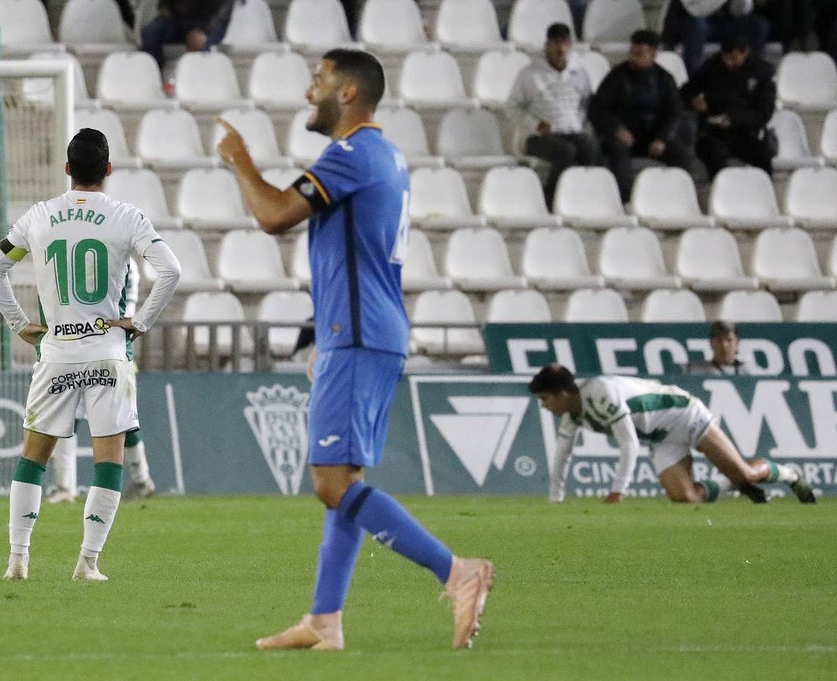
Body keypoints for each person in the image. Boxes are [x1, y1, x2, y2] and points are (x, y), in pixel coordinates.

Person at [216, 48, 493, 651]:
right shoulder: (384, 155)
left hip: (360, 333)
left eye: (318, 80)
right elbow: (351, 249)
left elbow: (273, 215)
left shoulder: (352, 154)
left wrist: (239, 163)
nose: (308, 91)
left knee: (331, 481)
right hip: (361, 329)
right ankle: (324, 620)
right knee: (343, 477)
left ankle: (456, 571)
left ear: (346, 93)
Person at [0, 128, 181, 582]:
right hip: (108, 352)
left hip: (56, 352)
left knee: (34, 458)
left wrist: (18, 324)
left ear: (67, 169)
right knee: (109, 461)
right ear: (108, 170)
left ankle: (18, 560)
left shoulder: (39, 216)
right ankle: (87, 563)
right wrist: (140, 322)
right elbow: (171, 270)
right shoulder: (127, 217)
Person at [528, 363, 816, 505]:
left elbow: (628, 444)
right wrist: (556, 500)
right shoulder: (571, 414)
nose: (544, 406)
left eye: (545, 399)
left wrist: (618, 491)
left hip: (685, 415)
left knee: (747, 472)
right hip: (661, 436)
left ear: (563, 392)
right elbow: (562, 456)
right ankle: (731, 483)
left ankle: (789, 475)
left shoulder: (602, 393)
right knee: (686, 497)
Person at [48, 260, 158, 504]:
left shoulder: (101, 257)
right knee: (122, 420)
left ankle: (65, 487)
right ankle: (142, 479)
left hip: (90, 346)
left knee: (71, 415)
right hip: (119, 349)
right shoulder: (125, 261)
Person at [589, 29, 694, 203]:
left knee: (681, 155)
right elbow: (598, 110)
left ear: (652, 55)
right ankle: (623, 201)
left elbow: (674, 113)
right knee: (617, 152)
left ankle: (678, 200)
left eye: (639, 54)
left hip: (653, 138)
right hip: (624, 136)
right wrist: (616, 129)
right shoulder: (617, 76)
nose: (633, 57)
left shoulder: (664, 79)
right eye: (632, 52)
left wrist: (662, 138)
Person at [506, 22, 597, 207]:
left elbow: (585, 104)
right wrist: (536, 124)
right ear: (547, 45)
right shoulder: (529, 74)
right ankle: (551, 198)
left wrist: (577, 123)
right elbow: (512, 107)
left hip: (572, 131)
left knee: (591, 147)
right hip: (538, 136)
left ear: (570, 46)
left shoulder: (580, 74)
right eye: (556, 43)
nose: (560, 49)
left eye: (564, 43)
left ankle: (585, 197)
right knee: (565, 152)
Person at [680, 33, 777, 179]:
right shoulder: (712, 67)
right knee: (715, 155)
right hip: (713, 132)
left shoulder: (762, 73)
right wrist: (693, 102)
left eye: (734, 58)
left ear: (745, 53)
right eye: (725, 57)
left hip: (745, 132)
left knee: (763, 156)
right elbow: (685, 92)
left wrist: (735, 119)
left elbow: (764, 112)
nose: (728, 63)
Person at [661, 0, 769, 75]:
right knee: (698, 27)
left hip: (721, 23)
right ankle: (694, 82)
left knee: (758, 25)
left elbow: (738, 12)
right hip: (688, 23)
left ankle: (750, 74)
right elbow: (697, 11)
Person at [140, 0, 233, 73]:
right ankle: (152, 79)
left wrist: (205, 32)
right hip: (176, 19)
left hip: (208, 22)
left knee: (206, 44)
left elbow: (224, 11)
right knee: (150, 33)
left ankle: (203, 84)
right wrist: (165, 9)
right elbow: (165, 6)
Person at [682, 320, 754, 375]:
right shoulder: (694, 371)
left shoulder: (750, 372)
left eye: (729, 340)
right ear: (711, 343)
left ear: (737, 342)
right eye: (719, 340)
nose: (724, 344)